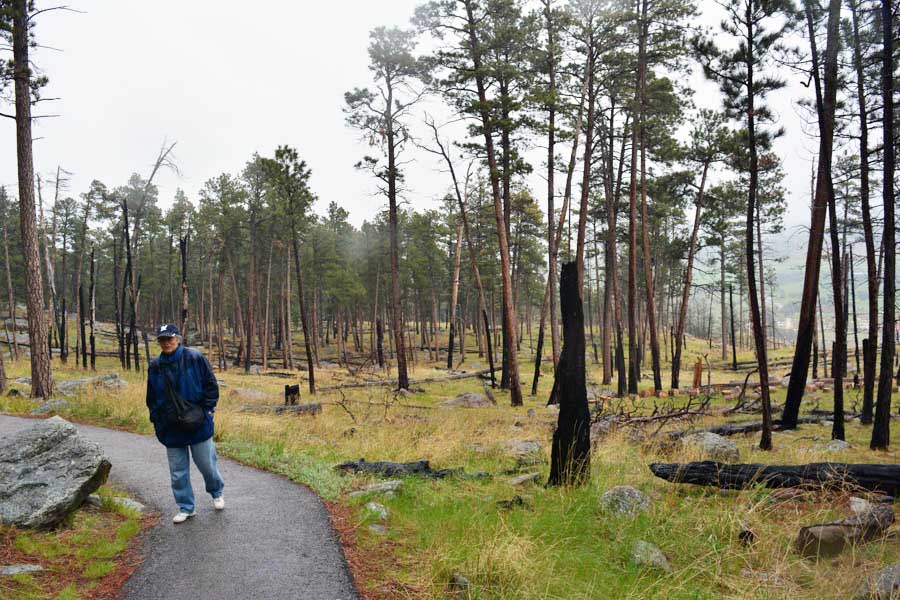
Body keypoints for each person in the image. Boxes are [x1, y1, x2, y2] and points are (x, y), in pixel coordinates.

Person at [145, 323, 225, 523]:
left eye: (170, 338)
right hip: (171, 427)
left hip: (198, 423)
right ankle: (186, 507)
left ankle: (216, 493)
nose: (166, 343)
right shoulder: (155, 366)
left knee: (207, 466)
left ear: (178, 338)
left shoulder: (195, 358)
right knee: (178, 472)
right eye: (162, 339)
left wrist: (207, 410)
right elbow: (151, 396)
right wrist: (157, 420)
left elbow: (210, 385)